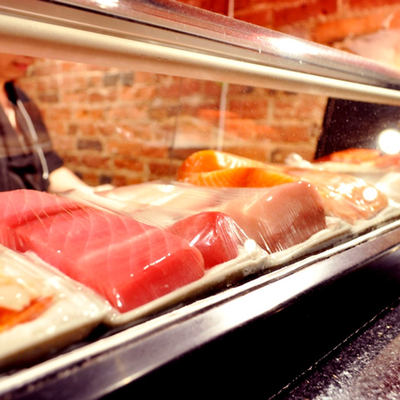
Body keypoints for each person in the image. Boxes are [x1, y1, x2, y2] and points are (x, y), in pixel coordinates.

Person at [0, 53, 91, 193]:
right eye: (20, 44)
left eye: (33, 47)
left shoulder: (21, 99)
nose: (29, 55)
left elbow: (48, 167)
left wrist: (93, 196)